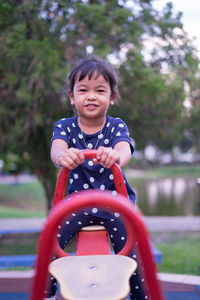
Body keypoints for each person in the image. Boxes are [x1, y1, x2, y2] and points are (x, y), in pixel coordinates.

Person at [46, 56, 148, 299]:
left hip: (114, 204)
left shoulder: (115, 127)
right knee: (49, 242)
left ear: (112, 97)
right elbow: (56, 149)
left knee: (131, 253)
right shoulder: (66, 127)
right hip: (77, 203)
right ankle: (45, 292)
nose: (91, 96)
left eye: (100, 90)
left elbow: (124, 150)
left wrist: (115, 154)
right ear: (72, 96)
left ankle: (140, 295)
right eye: (83, 90)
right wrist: (63, 156)